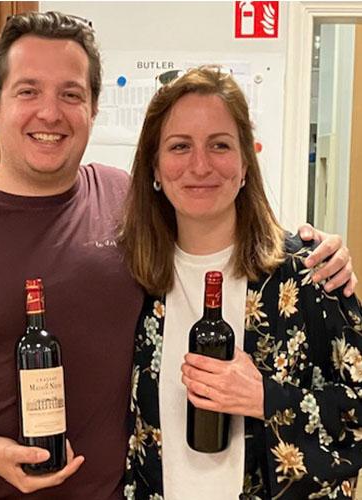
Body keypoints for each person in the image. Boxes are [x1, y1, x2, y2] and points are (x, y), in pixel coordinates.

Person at [0, 11, 355, 500]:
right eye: (28, 91)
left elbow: (218, 226)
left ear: (93, 108)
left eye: (71, 94)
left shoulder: (124, 208)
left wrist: (315, 250)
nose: (50, 113)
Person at [120, 66, 362, 500]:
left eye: (220, 145)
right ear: (154, 166)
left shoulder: (308, 273)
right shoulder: (129, 279)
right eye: (179, 146)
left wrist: (265, 397)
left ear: (245, 163)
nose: (200, 165)